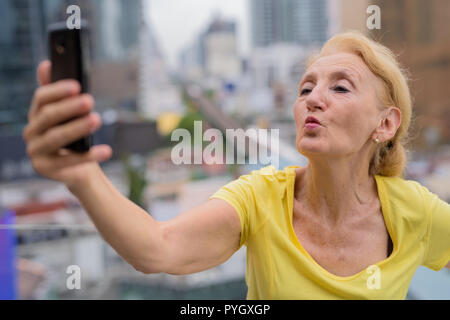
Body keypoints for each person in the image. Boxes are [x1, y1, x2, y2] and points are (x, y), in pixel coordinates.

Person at [22, 31, 450, 300]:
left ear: (385, 123)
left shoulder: (415, 211)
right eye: (306, 88)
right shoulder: (259, 198)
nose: (312, 99)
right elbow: (158, 248)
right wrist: (81, 175)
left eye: (340, 87)